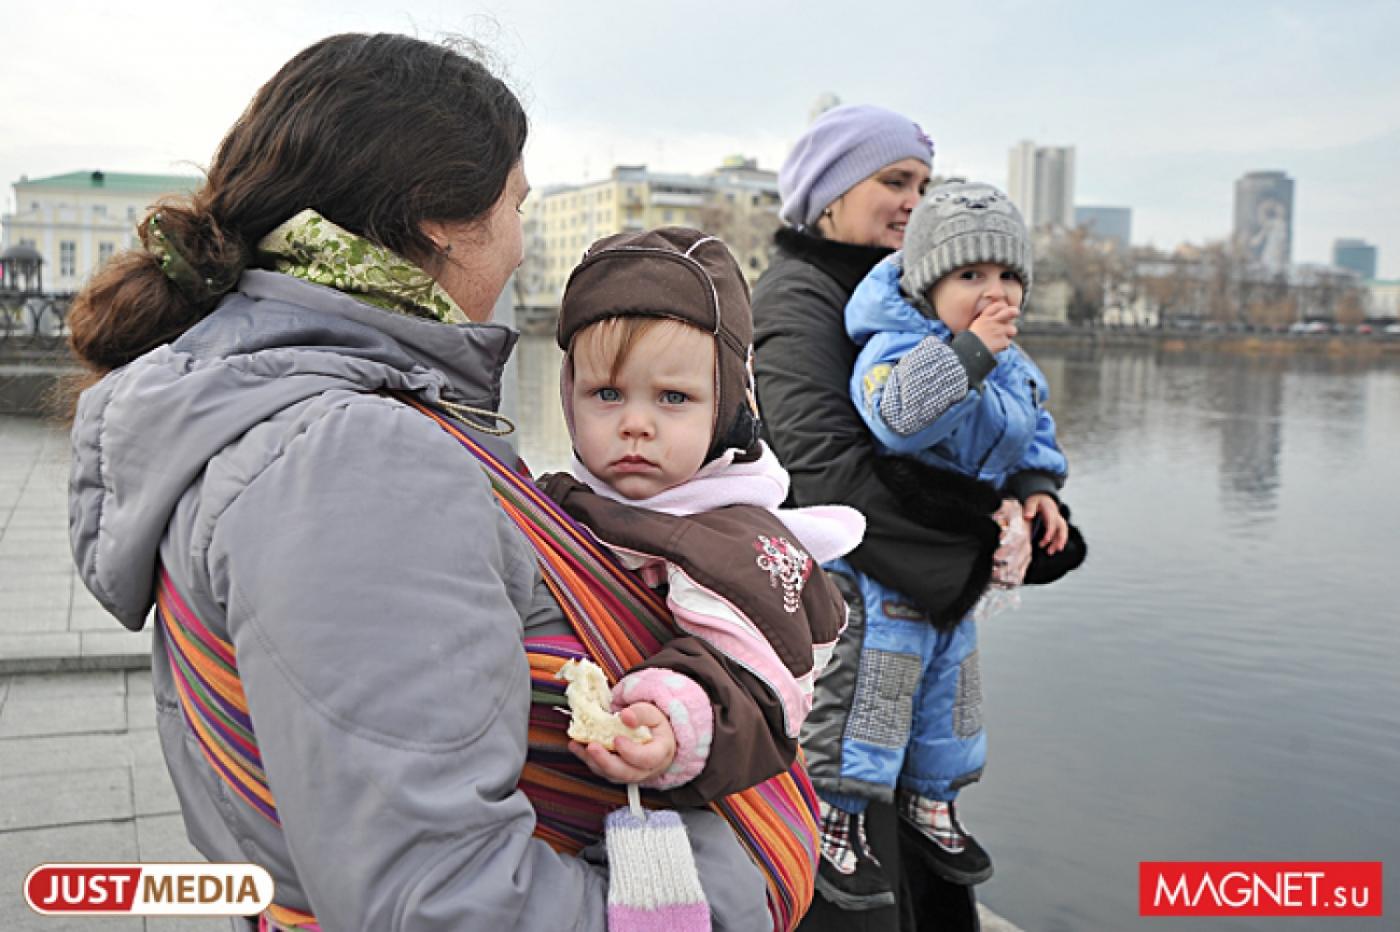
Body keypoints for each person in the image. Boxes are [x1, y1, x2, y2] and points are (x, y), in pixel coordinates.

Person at [65, 34, 778, 931]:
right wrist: (731, 877)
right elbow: (441, 902)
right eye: (517, 202)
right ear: (440, 219)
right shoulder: (355, 461)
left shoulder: (264, 407)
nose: (521, 245)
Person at [751, 104, 1032, 931]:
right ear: (830, 196)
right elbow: (821, 472)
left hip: (911, 623)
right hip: (842, 635)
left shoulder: (928, 289)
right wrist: (977, 542)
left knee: (922, 874)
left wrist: (1032, 505)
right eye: (893, 182)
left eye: (924, 184)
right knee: (860, 885)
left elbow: (996, 427)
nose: (914, 201)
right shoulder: (800, 295)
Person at [538, 227, 864, 805]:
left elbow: (756, 684)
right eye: (607, 394)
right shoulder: (554, 500)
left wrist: (672, 721)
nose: (636, 424)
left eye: (673, 398)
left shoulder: (732, 542)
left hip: (685, 804)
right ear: (569, 396)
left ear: (727, 407)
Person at [822, 178, 1074, 904]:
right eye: (970, 276)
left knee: (951, 696)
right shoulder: (895, 345)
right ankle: (836, 814)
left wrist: (1037, 490)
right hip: (887, 569)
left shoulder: (1013, 365)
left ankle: (935, 800)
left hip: (959, 575)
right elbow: (898, 417)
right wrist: (967, 356)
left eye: (1006, 277)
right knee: (873, 694)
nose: (992, 292)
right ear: (929, 284)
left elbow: (1033, 427)